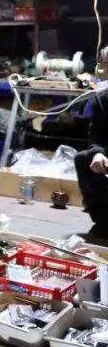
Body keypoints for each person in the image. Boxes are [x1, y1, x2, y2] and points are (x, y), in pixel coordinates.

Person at [75, 73, 108, 241]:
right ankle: (104, 225)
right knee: (83, 159)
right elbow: (96, 137)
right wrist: (98, 154)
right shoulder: (102, 100)